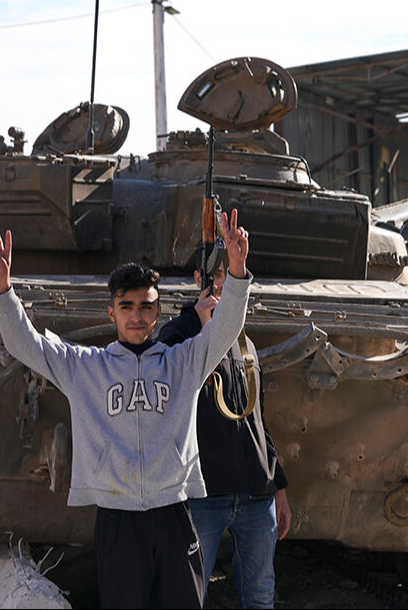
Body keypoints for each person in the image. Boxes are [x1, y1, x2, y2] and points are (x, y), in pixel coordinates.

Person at [0, 209, 251, 610]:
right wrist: (4, 292)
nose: (137, 316)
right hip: (117, 519)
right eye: (126, 307)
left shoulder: (184, 362)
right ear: (112, 313)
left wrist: (237, 269)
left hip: (173, 514)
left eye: (146, 307)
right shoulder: (85, 368)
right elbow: (28, 345)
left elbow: (226, 327)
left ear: (157, 313)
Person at [156, 249, 291, 609]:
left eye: (229, 275)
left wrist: (277, 486)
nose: (222, 282)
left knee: (260, 594)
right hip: (204, 496)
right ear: (199, 280)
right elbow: (160, 387)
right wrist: (204, 332)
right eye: (216, 275)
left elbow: (257, 421)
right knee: (188, 595)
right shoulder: (176, 334)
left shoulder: (244, 340)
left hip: (255, 495)